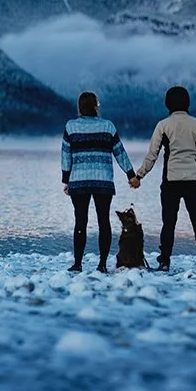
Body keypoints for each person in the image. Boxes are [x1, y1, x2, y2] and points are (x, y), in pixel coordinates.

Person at [132, 85, 196, 274]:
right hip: (193, 180)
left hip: (171, 180)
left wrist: (139, 176)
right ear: (187, 102)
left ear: (167, 104)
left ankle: (164, 262)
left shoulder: (163, 125)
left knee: (168, 223)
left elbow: (152, 155)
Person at [60, 91, 139, 273]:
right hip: (103, 181)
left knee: (80, 222)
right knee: (104, 221)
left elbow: (65, 155)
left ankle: (78, 264)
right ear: (96, 106)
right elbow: (120, 152)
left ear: (79, 107)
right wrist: (131, 175)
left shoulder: (71, 126)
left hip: (78, 181)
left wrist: (66, 179)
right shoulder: (107, 126)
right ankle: (102, 265)